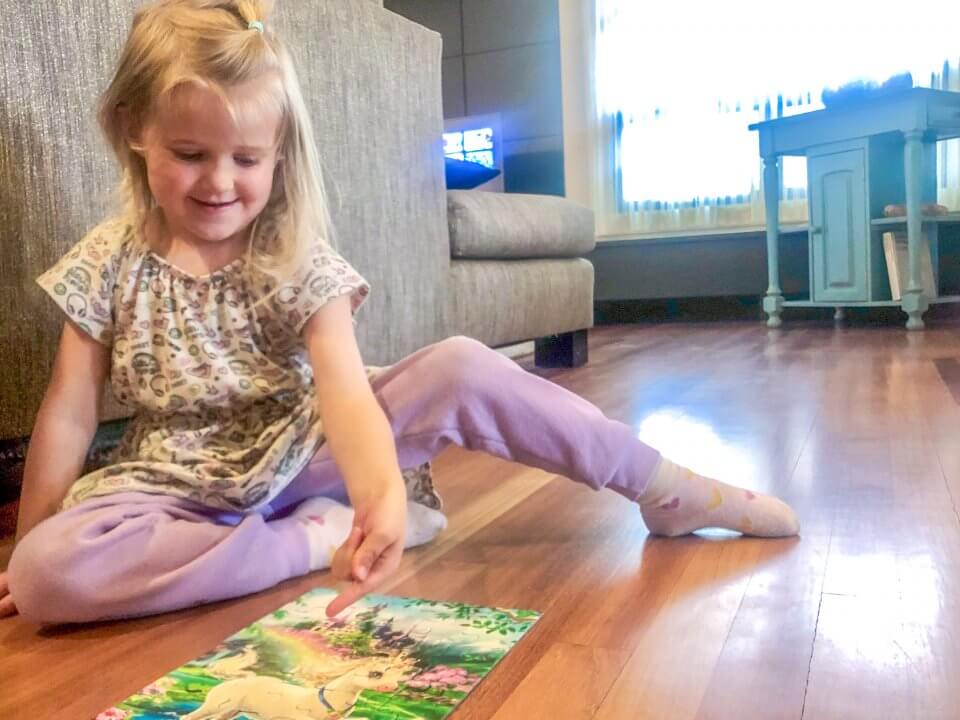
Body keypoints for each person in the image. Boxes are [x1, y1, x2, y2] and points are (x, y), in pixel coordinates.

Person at [0, 0, 799, 625]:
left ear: (279, 156)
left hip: (302, 452)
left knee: (457, 363)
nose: (219, 182)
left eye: (246, 159)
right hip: (170, 486)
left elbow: (346, 393)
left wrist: (380, 495)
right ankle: (309, 540)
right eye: (190, 154)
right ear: (135, 132)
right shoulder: (107, 259)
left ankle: (662, 486)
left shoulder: (295, 256)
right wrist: (31, 539)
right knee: (45, 577)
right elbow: (70, 409)